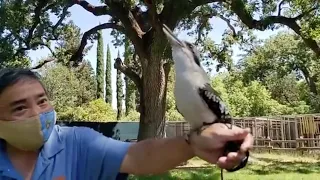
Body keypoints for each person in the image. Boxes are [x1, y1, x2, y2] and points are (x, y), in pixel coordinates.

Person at [0, 68, 253, 180]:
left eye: (42, 101)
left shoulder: (77, 142)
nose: (37, 113)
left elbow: (138, 155)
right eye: (20, 107)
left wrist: (193, 144)